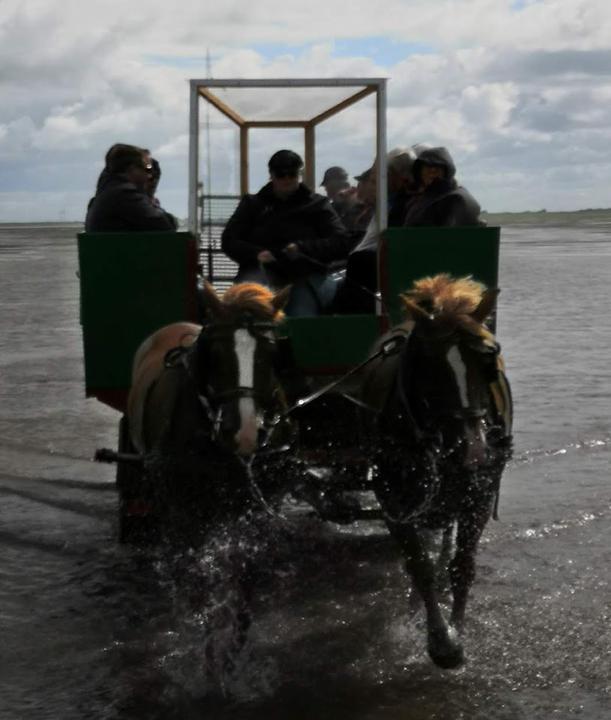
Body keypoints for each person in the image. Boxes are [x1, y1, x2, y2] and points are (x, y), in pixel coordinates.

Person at [221, 149, 353, 315]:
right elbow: (229, 240)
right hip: (260, 273)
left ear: (300, 174)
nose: (287, 179)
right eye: (280, 174)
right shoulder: (252, 205)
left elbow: (341, 241)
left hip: (304, 276)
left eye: (292, 174)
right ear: (271, 175)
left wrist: (302, 248)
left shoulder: (318, 205)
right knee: (248, 314)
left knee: (300, 320)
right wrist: (256, 254)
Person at [85, 144, 177, 232]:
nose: (149, 176)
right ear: (132, 168)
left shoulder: (105, 193)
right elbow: (166, 224)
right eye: (148, 168)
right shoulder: (125, 194)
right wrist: (152, 202)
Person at [402, 147, 482, 226]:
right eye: (427, 166)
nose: (432, 171)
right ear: (419, 170)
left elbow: (451, 236)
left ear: (447, 170)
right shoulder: (422, 199)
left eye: (438, 166)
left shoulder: (455, 199)